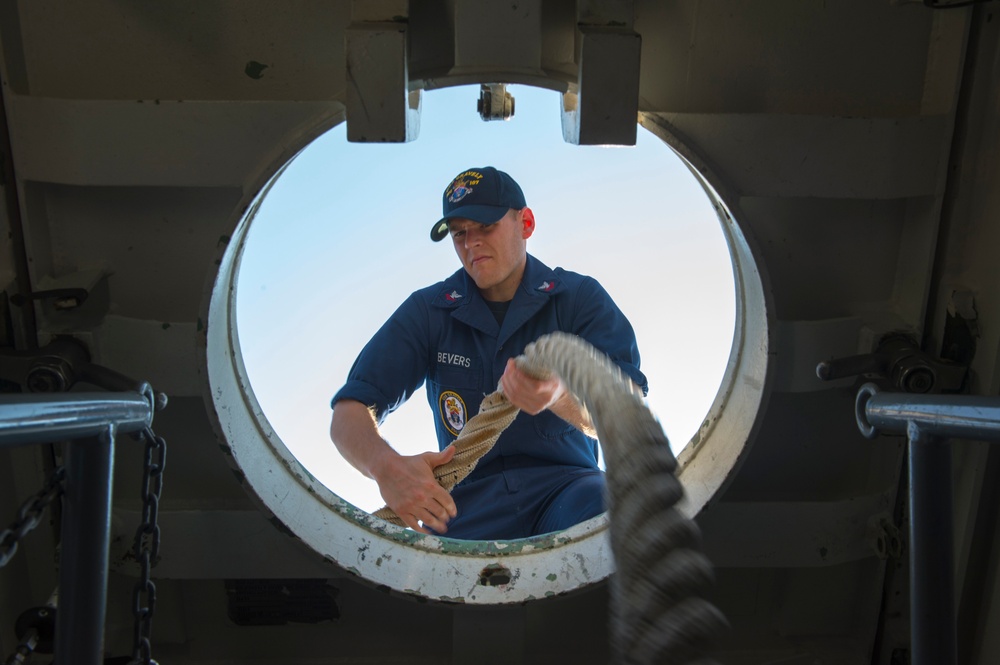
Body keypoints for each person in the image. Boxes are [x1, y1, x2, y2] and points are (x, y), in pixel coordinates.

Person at [329, 166, 647, 540]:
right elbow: (348, 414)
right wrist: (385, 467)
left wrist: (559, 395)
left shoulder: (578, 298)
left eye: (485, 226)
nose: (470, 243)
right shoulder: (428, 311)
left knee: (615, 510)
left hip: (568, 491)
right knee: (399, 570)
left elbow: (627, 410)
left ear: (525, 223)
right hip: (460, 507)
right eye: (459, 233)